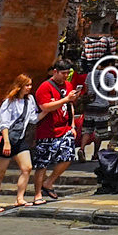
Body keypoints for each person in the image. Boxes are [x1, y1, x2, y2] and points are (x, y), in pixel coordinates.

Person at [32, 59, 83, 204]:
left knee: (68, 157)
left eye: (68, 73)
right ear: (55, 72)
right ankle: (37, 194)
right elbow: (45, 107)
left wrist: (72, 125)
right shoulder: (45, 87)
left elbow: (70, 106)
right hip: (47, 130)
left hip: (65, 127)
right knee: (42, 163)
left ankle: (49, 182)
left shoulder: (67, 85)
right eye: (63, 73)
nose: (66, 76)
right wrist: (65, 99)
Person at [0, 73, 38, 214]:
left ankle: (20, 198)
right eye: (27, 85)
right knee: (0, 173)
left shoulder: (30, 100)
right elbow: (4, 124)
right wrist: (7, 143)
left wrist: (49, 109)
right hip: (7, 139)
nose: (29, 88)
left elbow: (33, 118)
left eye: (30, 85)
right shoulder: (9, 102)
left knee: (27, 168)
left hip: (20, 139)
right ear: (20, 86)